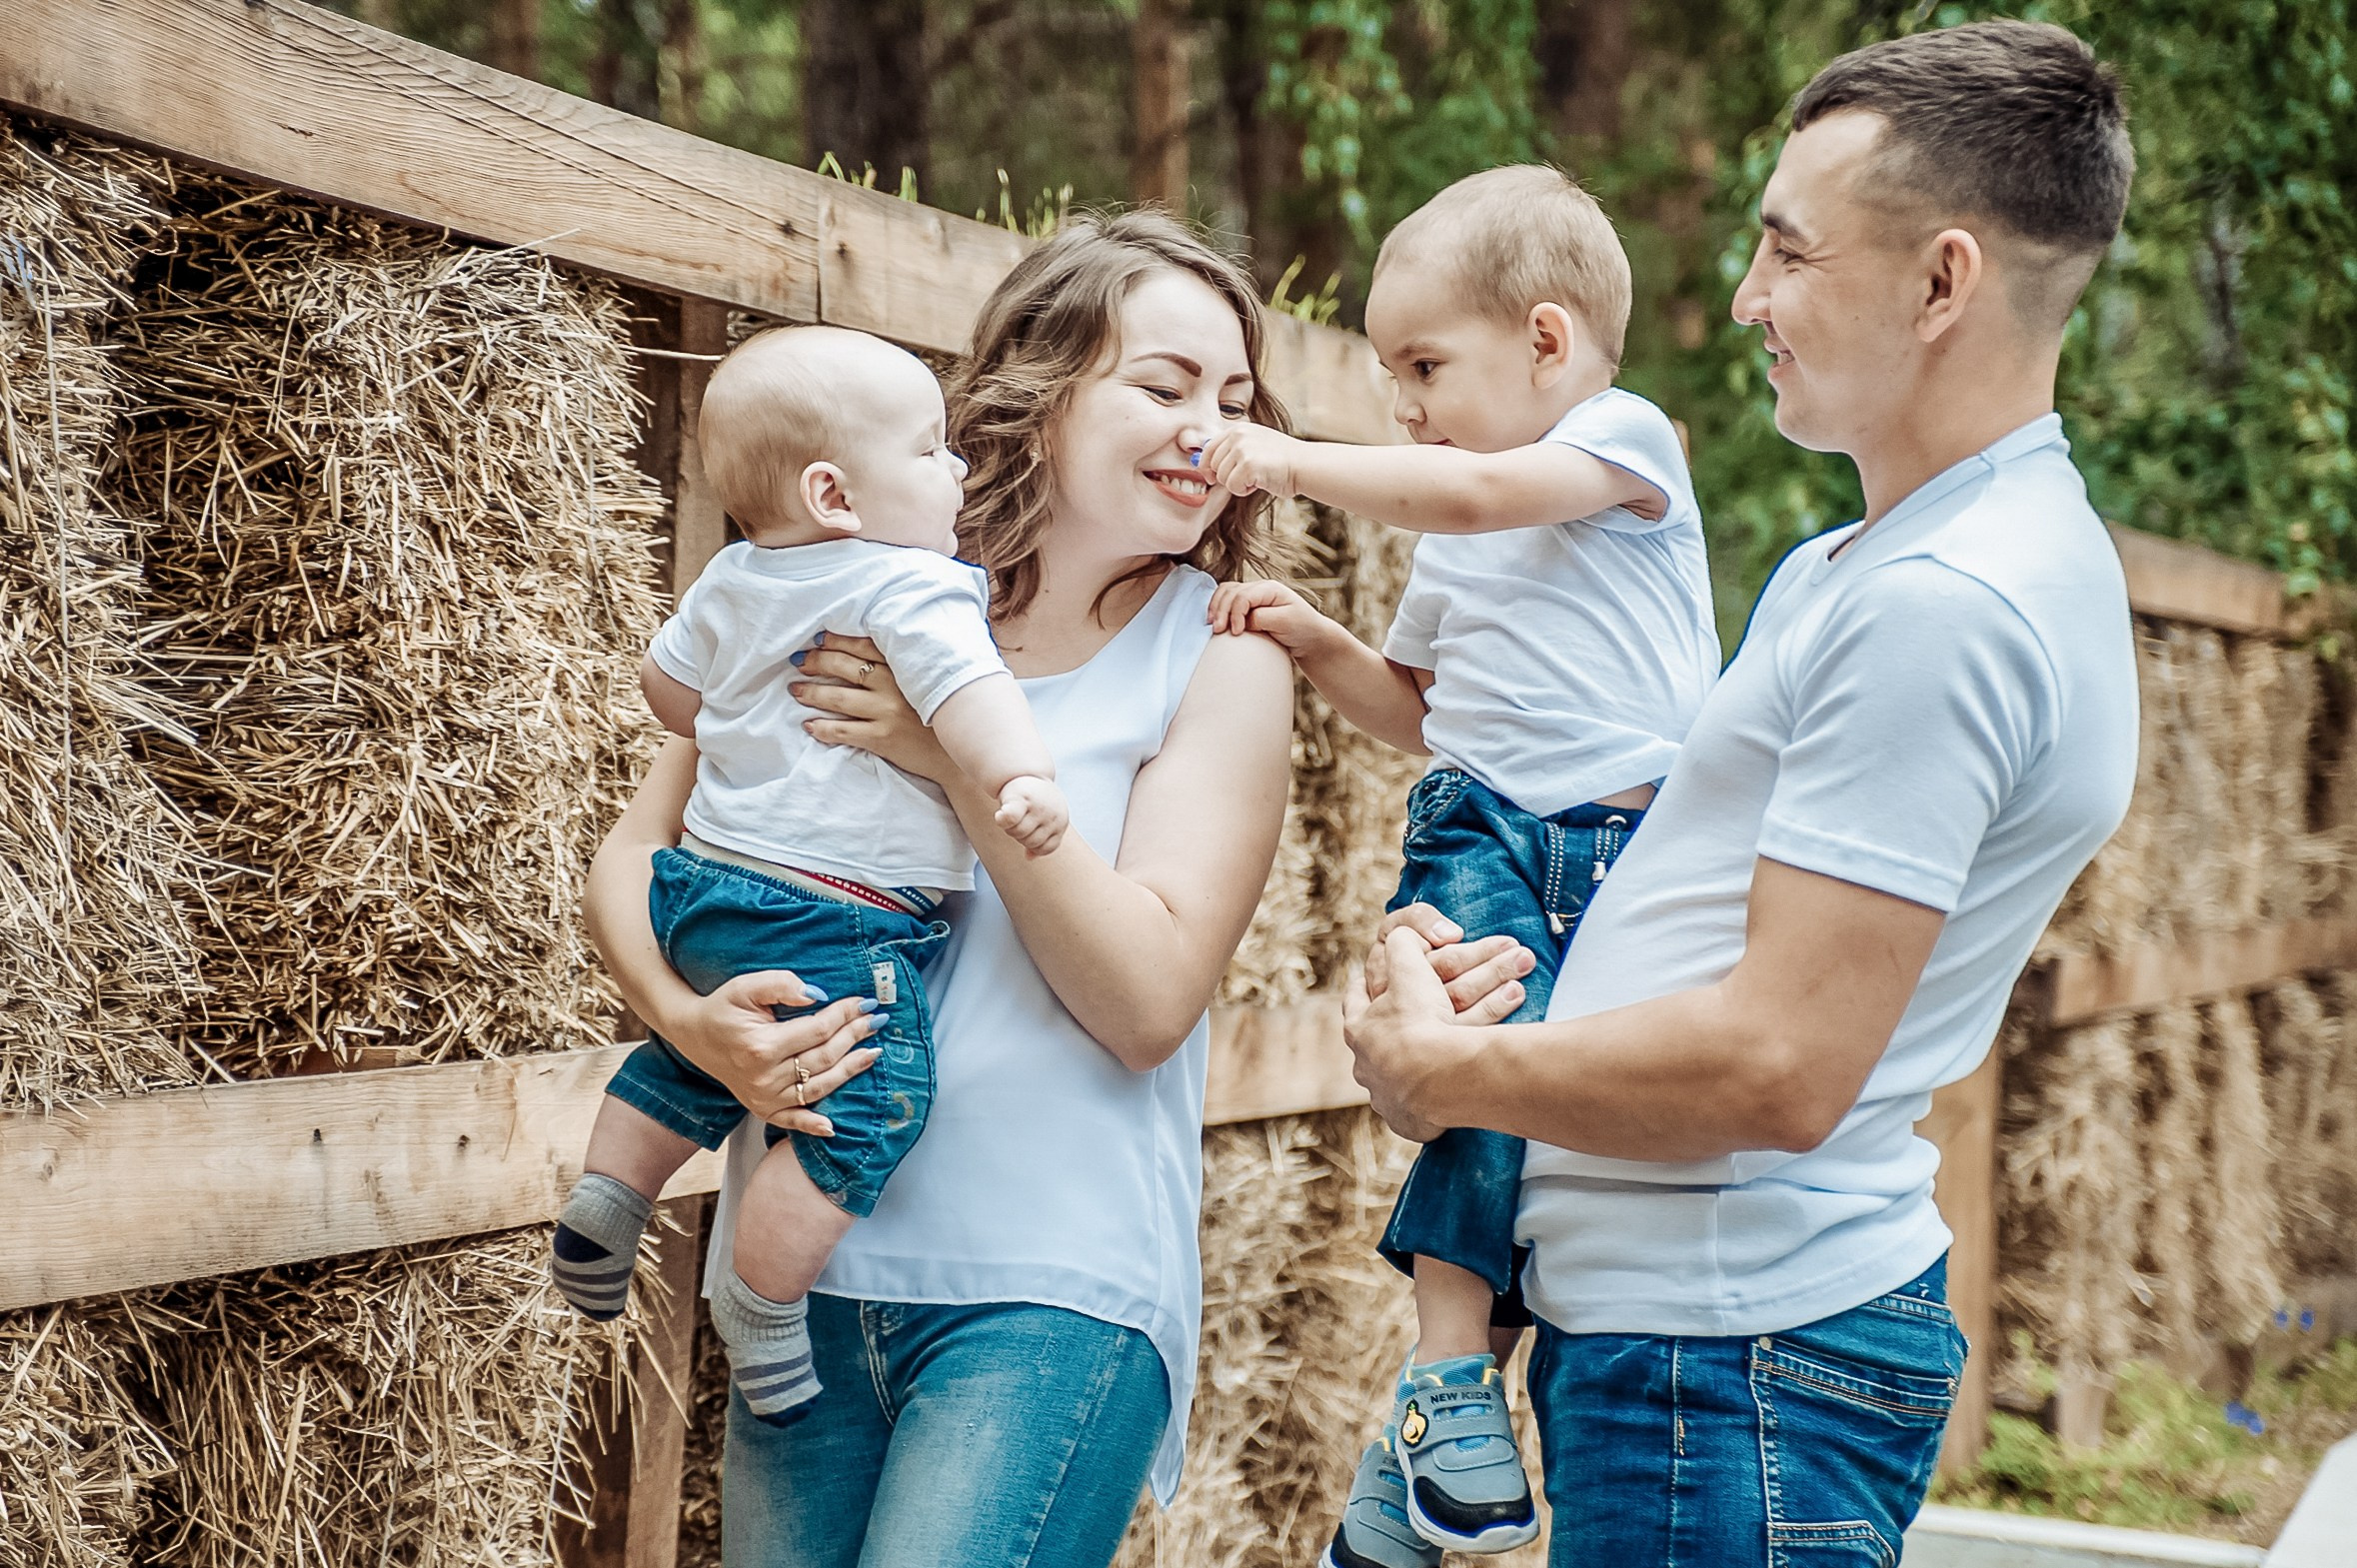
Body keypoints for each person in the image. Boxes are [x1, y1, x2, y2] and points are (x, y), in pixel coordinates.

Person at [1340, 20, 2140, 1566]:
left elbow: (1779, 1061)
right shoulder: (1867, 566)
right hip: (1692, 1351)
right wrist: (1475, 969)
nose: (1742, 298)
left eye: (1787, 250)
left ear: (1941, 283)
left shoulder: (1944, 606)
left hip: (1725, 1368)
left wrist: (1447, 1073)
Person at [582, 212, 1306, 1567]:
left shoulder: (1218, 655)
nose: (1207, 430)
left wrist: (949, 762)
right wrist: (690, 1029)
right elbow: (633, 854)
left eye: (1232, 399)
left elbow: (1147, 1000)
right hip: (797, 1283)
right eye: (1164, 386)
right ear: (1040, 390)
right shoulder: (850, 581)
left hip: (1045, 1294)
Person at [1196, 166, 1717, 1568]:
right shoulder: (1451, 533)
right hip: (1481, 827)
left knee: (1573, 1145)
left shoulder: (1621, 441)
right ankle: (1446, 1376)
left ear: (1547, 341)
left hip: (1633, 856)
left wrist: (1286, 462)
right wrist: (1317, 641)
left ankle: (1405, 1464)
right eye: (1387, 376)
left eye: (1423, 367)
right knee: (1478, 1083)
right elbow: (1421, 712)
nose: (1402, 405)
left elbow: (1482, 491)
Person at [550, 326, 1071, 1428]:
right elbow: (972, 696)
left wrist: (750, 703)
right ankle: (760, 1302)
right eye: (931, 449)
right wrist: (1019, 776)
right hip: (835, 912)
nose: (957, 468)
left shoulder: (734, 574)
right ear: (834, 494)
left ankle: (610, 1193)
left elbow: (668, 695)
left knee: (701, 1061)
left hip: (702, 895)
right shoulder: (912, 582)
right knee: (869, 1102)